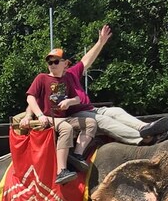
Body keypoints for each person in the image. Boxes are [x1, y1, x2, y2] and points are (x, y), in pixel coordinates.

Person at [19, 25, 111, 185]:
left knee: (91, 123)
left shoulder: (69, 77)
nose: (52, 64)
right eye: (49, 62)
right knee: (66, 128)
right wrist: (37, 115)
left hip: (66, 116)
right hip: (49, 117)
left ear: (65, 63)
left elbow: (77, 95)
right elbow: (30, 98)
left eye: (55, 61)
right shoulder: (42, 78)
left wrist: (100, 42)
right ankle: (61, 171)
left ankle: (76, 155)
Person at [61, 57, 168, 145]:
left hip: (91, 108)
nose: (62, 65)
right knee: (103, 120)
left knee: (116, 111)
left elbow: (86, 59)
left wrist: (101, 42)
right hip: (75, 114)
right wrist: (42, 115)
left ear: (65, 63)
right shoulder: (53, 80)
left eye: (62, 62)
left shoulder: (72, 73)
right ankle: (144, 139)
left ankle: (146, 128)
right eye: (53, 63)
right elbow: (45, 100)